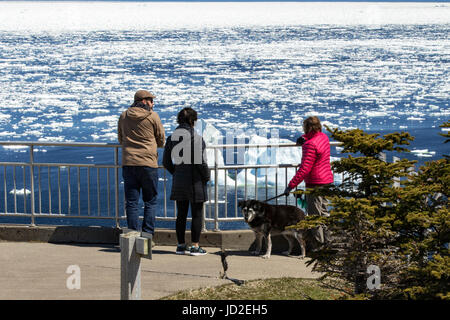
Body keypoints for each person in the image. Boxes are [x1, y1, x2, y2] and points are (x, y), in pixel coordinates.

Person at [163, 107, 210, 256]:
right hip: (195, 181)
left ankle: (181, 245)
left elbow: (165, 162)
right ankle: (195, 246)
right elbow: (200, 162)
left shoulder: (171, 138)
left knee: (181, 214)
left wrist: (176, 172)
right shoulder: (196, 138)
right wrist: (206, 175)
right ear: (192, 121)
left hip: (179, 181)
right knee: (197, 214)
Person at [118, 89, 165, 239]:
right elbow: (161, 139)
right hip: (148, 164)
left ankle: (132, 237)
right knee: (150, 201)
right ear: (144, 101)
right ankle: (147, 237)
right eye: (151, 100)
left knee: (131, 202)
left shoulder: (124, 115)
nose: (153, 103)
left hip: (129, 163)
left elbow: (121, 137)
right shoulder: (152, 116)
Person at [284, 116, 333, 245]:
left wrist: (290, 186)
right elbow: (313, 136)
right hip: (326, 180)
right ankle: (328, 242)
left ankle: (319, 245)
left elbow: (305, 169)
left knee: (314, 216)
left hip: (315, 183)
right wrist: (304, 137)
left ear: (307, 127)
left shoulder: (310, 145)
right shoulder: (323, 137)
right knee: (324, 213)